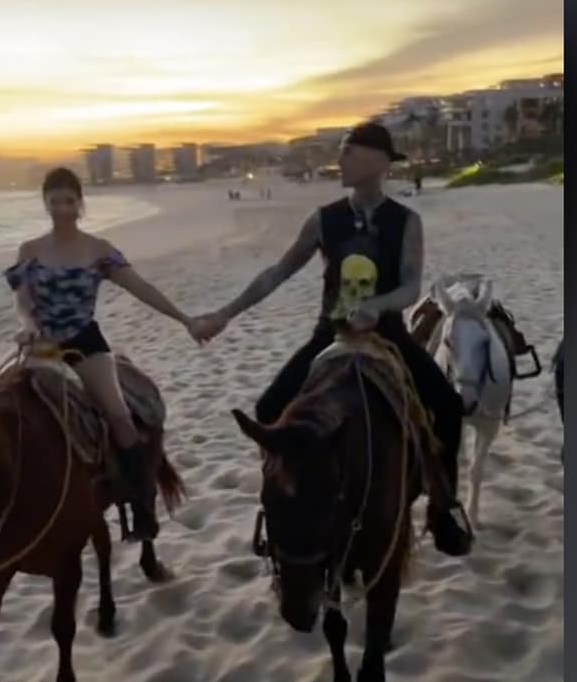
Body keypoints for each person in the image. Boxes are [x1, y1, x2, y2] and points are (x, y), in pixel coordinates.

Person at [192, 123, 472, 557]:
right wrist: (226, 314)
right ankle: (281, 508)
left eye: (348, 153)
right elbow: (277, 273)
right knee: (269, 409)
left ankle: (442, 506)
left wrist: (377, 307)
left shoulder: (406, 221)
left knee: (448, 407)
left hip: (388, 335)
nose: (339, 161)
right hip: (331, 333)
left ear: (378, 162)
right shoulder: (324, 219)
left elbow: (411, 288)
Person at [5, 166, 201, 542]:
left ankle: (143, 507)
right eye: (54, 202)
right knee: (0, 404)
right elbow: (22, 301)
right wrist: (28, 324)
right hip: (43, 342)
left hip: (86, 341)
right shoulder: (30, 251)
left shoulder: (100, 251)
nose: (62, 209)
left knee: (119, 417)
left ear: (81, 203)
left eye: (69, 201)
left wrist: (184, 319)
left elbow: (141, 288)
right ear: (44, 204)